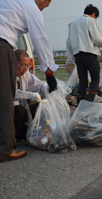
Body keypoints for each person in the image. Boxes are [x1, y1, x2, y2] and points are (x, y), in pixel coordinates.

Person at [0, 0, 58, 162]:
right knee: (4, 98)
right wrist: (49, 73)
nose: (44, 8)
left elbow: (38, 85)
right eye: (45, 5)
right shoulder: (30, 7)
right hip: (2, 44)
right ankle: (4, 150)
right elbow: (40, 40)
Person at [66, 4, 102, 105]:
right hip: (89, 54)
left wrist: (72, 58)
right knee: (95, 78)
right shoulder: (90, 21)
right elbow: (97, 38)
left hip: (78, 56)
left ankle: (80, 105)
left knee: (83, 81)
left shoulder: (72, 24)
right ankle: (88, 103)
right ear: (94, 14)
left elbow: (68, 43)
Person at [14, 50, 48, 141]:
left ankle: (43, 132)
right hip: (8, 113)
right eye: (22, 65)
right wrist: (30, 95)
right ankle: (12, 138)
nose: (25, 69)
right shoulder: (6, 75)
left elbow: (40, 85)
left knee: (43, 106)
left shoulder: (26, 75)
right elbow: (11, 93)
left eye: (27, 65)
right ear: (13, 63)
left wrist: (48, 89)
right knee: (19, 109)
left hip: (22, 111)